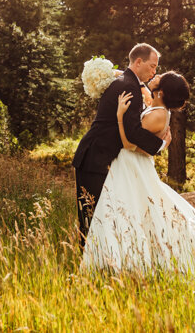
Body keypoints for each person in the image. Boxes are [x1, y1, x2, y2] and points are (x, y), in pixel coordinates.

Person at [80, 71, 195, 284]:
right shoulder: (156, 107)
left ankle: (131, 263)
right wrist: (124, 74)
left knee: (139, 211)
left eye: (160, 77)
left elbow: (129, 143)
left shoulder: (158, 115)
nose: (156, 75)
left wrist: (121, 116)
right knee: (134, 211)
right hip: (131, 165)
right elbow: (143, 96)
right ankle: (117, 263)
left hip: (132, 166)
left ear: (162, 91)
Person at [72, 43, 172, 246]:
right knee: (91, 220)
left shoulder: (127, 81)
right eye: (152, 66)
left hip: (97, 157)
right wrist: (160, 145)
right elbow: (133, 132)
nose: (154, 72)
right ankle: (84, 266)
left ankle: (94, 264)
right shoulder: (128, 85)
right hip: (94, 158)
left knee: (97, 219)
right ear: (138, 62)